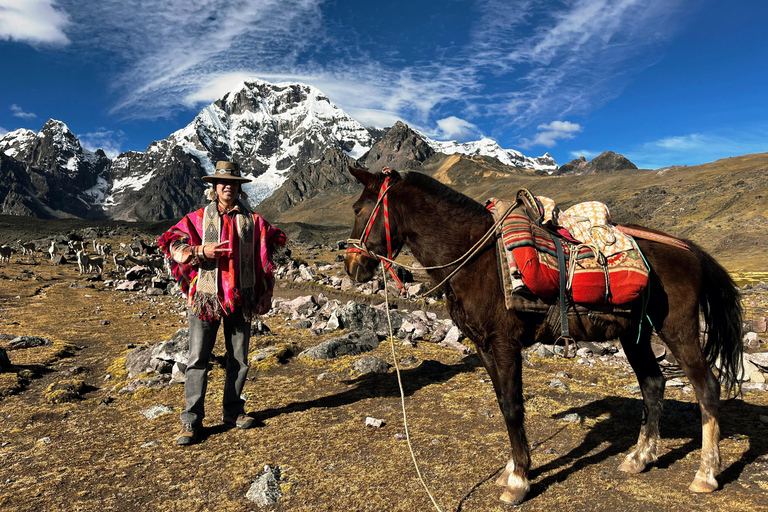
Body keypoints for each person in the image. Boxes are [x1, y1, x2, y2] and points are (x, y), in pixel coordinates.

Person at [158, 160, 287, 446]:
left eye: (233, 182)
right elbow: (172, 244)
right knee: (197, 359)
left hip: (243, 297)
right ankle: (191, 420)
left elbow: (266, 258)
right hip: (206, 298)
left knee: (239, 358)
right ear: (214, 188)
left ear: (240, 188)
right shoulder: (196, 219)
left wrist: (267, 291)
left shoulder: (254, 222)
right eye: (222, 182)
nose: (228, 186)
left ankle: (233, 411)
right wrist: (200, 250)